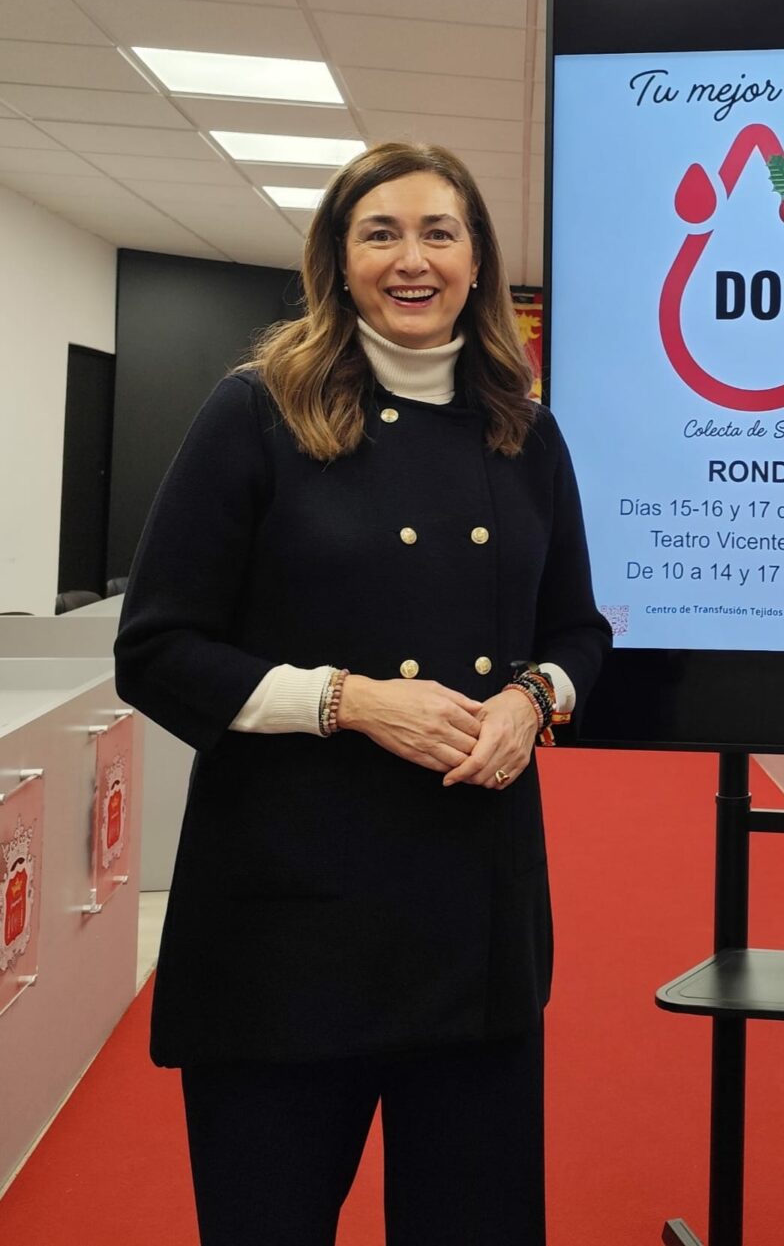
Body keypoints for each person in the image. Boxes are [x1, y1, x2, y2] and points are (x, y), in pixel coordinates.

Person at [114, 142, 610, 1246]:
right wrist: (348, 700)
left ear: (478, 262)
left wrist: (534, 697)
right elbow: (155, 648)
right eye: (380, 232)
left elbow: (579, 627)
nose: (412, 258)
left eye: (440, 232)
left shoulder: (525, 430)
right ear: (336, 261)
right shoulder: (255, 413)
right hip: (285, 921)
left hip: (472, 919)